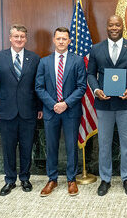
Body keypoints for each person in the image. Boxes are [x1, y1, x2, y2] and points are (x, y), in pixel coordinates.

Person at [87, 15, 127, 196]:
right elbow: (90, 74)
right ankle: (105, 179)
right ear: (107, 26)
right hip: (103, 104)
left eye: (117, 24)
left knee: (126, 143)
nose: (114, 28)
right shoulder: (96, 49)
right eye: (111, 24)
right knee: (104, 144)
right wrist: (96, 90)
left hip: (125, 103)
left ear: (122, 26)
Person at [0, 24, 43, 196]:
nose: (19, 39)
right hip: (5, 111)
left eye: (22, 37)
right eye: (16, 36)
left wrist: (40, 107)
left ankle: (25, 178)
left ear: (26, 39)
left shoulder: (34, 58)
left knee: (26, 147)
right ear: (10, 38)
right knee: (8, 147)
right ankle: (10, 180)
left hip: (28, 111)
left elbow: (38, 85)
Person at [35, 27, 87, 197]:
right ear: (54, 40)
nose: (62, 41)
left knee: (72, 146)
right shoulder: (44, 62)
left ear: (69, 41)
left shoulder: (78, 61)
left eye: (65, 39)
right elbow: (39, 87)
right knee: (51, 146)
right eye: (59, 38)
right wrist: (53, 104)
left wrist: (65, 103)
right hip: (51, 111)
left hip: (71, 111)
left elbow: (81, 87)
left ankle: (71, 180)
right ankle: (52, 179)